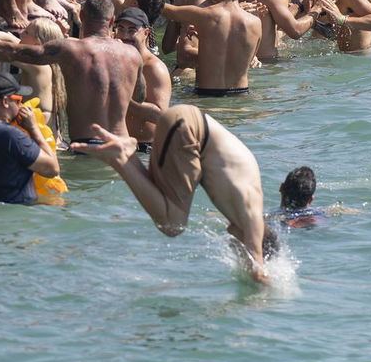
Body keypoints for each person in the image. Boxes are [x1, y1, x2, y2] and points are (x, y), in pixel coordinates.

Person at [71, 107, 272, 283]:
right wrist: (273, 291)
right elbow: (257, 268)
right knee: (173, 225)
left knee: (171, 212)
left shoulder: (243, 203)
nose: (236, 252)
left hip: (184, 122)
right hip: (189, 129)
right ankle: (120, 159)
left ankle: (126, 154)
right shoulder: (253, 219)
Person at [0, 0, 143, 142]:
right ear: (112, 21)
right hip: (122, 147)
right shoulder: (133, 55)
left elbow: (14, 51)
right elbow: (139, 97)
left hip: (87, 146)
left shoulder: (70, 49)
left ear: (81, 16)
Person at [160, 0, 263, 95]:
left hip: (207, 94)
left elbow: (164, 9)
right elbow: (247, 59)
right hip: (241, 95)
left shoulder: (205, 15)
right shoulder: (256, 22)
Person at [0, 71, 61, 205]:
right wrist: (34, 129)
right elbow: (52, 169)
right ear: (5, 101)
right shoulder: (11, 135)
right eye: (18, 101)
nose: (21, 106)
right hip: (18, 209)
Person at [112, 5, 171, 143]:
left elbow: (161, 116)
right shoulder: (114, 60)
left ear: (145, 33)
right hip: (119, 146)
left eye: (132, 30)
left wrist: (121, 99)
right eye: (121, 29)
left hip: (145, 149)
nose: (125, 36)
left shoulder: (154, 68)